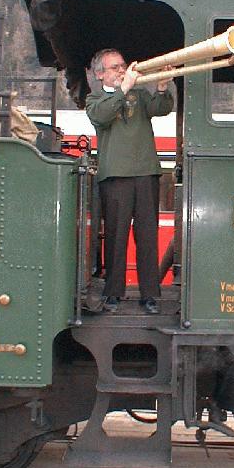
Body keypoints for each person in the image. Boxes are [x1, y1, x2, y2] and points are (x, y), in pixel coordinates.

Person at [85, 49, 173, 314]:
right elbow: (102, 117)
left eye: (122, 66)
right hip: (115, 176)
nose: (121, 70)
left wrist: (160, 88)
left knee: (147, 236)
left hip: (145, 171)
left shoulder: (139, 94)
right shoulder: (95, 99)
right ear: (100, 74)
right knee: (115, 236)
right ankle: (113, 293)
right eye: (114, 67)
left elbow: (162, 108)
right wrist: (123, 89)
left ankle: (149, 295)